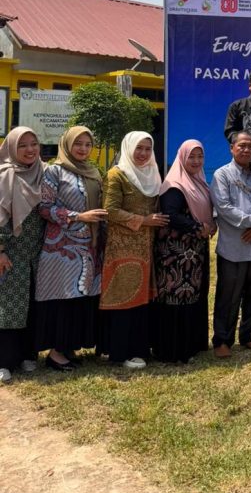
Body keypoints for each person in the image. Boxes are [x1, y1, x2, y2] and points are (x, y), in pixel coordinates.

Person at [35, 126, 107, 372]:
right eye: (78, 144)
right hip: (62, 248)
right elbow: (44, 207)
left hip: (89, 247)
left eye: (87, 144)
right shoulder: (54, 171)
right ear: (66, 144)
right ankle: (55, 353)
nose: (83, 149)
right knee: (63, 299)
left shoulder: (93, 172)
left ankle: (68, 347)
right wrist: (78, 216)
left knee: (80, 299)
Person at [99, 131, 169, 369]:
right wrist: (144, 220)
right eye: (139, 148)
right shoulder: (117, 174)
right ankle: (120, 352)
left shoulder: (153, 173)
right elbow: (110, 211)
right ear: (128, 148)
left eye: (148, 149)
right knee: (124, 299)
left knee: (142, 299)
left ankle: (139, 348)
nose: (143, 153)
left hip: (147, 248)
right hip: (123, 247)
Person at [209, 132, 251, 358]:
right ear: (232, 148)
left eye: (250, 146)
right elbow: (224, 207)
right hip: (234, 247)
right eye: (241, 146)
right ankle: (222, 340)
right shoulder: (222, 175)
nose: (246, 150)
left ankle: (248, 334)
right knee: (229, 296)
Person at [153, 139, 214, 363]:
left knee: (192, 296)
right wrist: (197, 227)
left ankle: (191, 344)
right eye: (192, 157)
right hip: (174, 254)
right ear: (182, 158)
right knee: (175, 297)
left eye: (200, 156)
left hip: (194, 251)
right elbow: (170, 215)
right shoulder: (174, 185)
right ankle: (172, 349)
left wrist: (209, 227)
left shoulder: (199, 182)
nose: (196, 161)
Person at [0, 127, 45, 382]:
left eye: (34, 144)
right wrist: (0, 250)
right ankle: (4, 360)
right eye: (23, 145)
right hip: (11, 252)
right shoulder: (5, 175)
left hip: (36, 252)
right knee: (8, 307)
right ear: (11, 148)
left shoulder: (42, 172)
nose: (30, 150)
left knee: (32, 305)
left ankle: (28, 355)